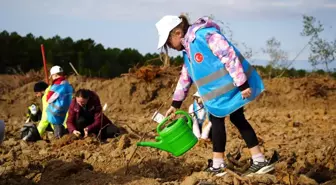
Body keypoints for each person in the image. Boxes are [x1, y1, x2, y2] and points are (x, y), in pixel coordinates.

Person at [156, 15, 274, 176]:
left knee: (218, 120)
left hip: (233, 88)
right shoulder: (188, 49)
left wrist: (242, 83)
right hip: (221, 95)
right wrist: (175, 104)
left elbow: (229, 56)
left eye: (168, 42)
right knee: (236, 118)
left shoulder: (205, 35)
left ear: (177, 33)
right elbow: (185, 77)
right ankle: (258, 159)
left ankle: (219, 165)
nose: (169, 46)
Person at [46, 66, 73, 139]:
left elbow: (49, 99)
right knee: (60, 124)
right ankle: (63, 136)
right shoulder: (67, 83)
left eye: (52, 76)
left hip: (55, 111)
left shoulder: (56, 85)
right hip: (64, 109)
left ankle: (59, 139)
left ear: (54, 75)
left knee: (57, 125)